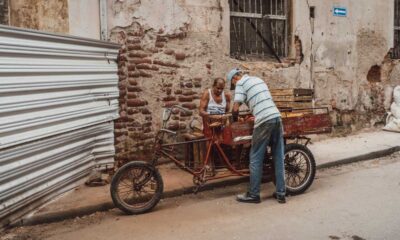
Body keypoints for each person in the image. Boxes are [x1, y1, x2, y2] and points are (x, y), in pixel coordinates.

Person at [227, 68, 286, 204]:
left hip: (264, 120)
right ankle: (281, 193)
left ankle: (254, 194)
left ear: (235, 78)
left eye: (233, 85)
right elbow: (262, 100)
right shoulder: (258, 79)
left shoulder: (241, 83)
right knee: (278, 156)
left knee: (255, 158)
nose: (235, 87)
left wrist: (234, 120)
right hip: (276, 117)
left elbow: (235, 108)